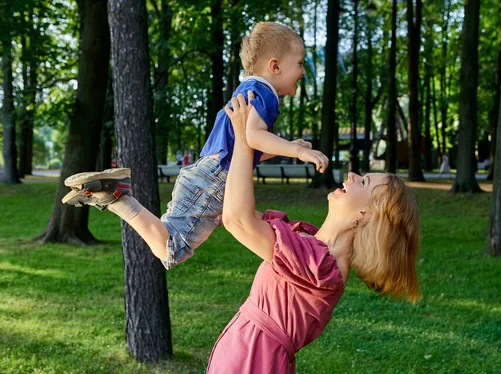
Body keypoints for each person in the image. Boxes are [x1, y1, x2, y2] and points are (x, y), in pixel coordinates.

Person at [203, 93, 420, 374]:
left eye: (364, 182)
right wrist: (262, 146)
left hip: (252, 364)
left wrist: (243, 139)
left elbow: (238, 220)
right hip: (245, 356)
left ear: (365, 215)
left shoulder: (320, 266)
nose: (352, 176)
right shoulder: (310, 243)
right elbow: (235, 212)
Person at [60, 21, 329, 269]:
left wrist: (288, 145)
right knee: (171, 248)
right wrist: (297, 151)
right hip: (214, 181)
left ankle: (111, 195)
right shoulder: (264, 94)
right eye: (300, 63)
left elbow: (247, 149)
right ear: (275, 66)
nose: (303, 71)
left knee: (186, 236)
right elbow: (254, 137)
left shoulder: (249, 90)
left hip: (210, 174)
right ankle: (117, 196)